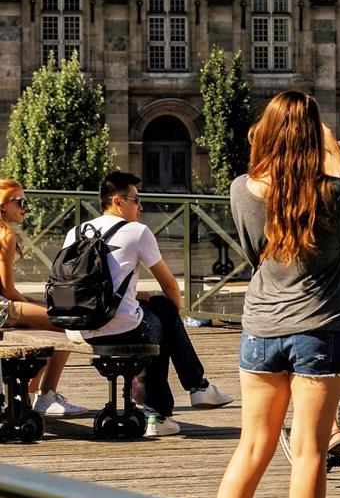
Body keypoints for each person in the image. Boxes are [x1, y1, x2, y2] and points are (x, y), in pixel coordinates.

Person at [212, 91, 340, 498]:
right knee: (309, 454)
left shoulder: (243, 188)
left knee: (252, 447)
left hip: (261, 327)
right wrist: (339, 157)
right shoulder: (332, 191)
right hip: (320, 327)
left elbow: (250, 253)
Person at [67, 172, 234, 436]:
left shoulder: (75, 232)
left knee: (154, 310)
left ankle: (188, 395)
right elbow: (169, 285)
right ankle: (177, 402)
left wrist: (139, 297)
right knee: (163, 315)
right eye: (136, 200)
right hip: (121, 327)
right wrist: (172, 319)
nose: (141, 207)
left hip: (80, 328)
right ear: (117, 201)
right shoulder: (137, 231)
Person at [0, 179, 91, 416]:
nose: (25, 208)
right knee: (64, 321)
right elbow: (8, 292)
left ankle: (30, 395)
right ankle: (45, 395)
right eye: (20, 202)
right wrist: (35, 304)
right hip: (1, 309)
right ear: (2, 206)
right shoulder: (6, 235)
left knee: (52, 314)